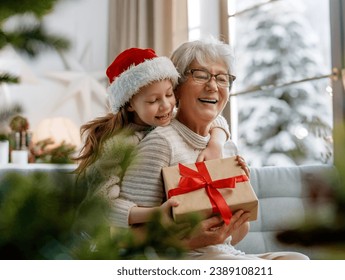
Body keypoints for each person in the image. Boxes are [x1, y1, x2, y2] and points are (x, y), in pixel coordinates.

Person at [117, 38, 309, 260]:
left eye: (222, 78)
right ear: (176, 87)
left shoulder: (224, 145)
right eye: (200, 74)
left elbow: (233, 236)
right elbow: (123, 237)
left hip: (224, 254)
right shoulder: (161, 142)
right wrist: (190, 240)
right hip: (178, 260)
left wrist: (237, 210)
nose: (213, 86)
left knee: (297, 260)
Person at [74, 47, 231, 225]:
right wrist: (155, 214)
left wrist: (216, 143)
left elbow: (217, 121)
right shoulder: (117, 145)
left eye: (169, 94)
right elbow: (101, 204)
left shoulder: (165, 119)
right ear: (130, 104)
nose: (166, 106)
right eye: (153, 100)